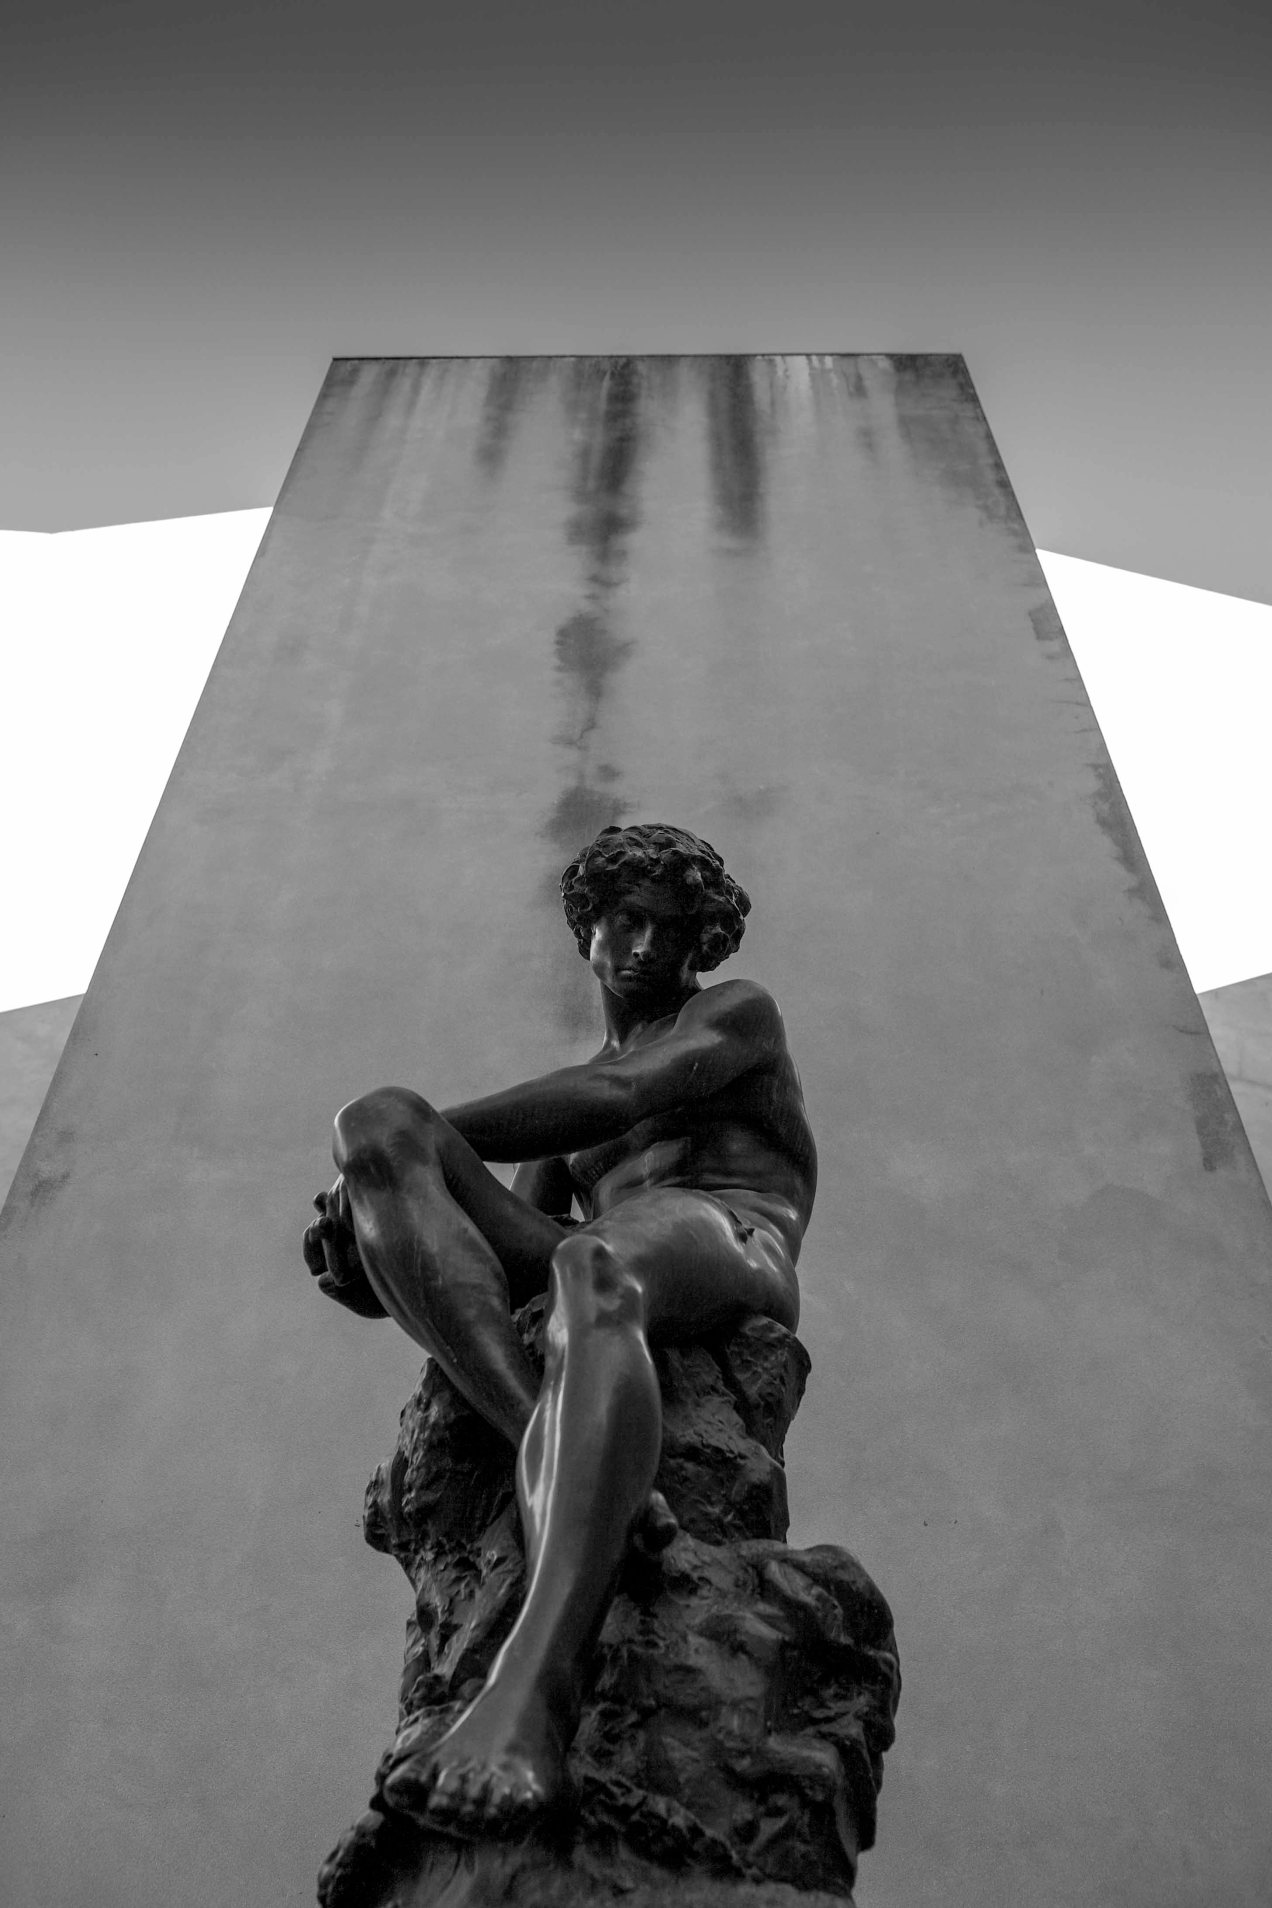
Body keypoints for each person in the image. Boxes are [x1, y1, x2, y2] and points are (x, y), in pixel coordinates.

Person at [303, 822, 817, 1837]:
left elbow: (622, 1093)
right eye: (623, 922)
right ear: (587, 926)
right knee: (373, 1121)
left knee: (590, 1256)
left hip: (733, 1239)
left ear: (701, 945)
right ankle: (554, 1437)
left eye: (671, 932)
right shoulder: (575, 1104)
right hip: (609, 1255)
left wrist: (430, 1140)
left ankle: (531, 1692)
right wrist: (374, 1224)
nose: (642, 951)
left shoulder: (733, 1015)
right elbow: (491, 1248)